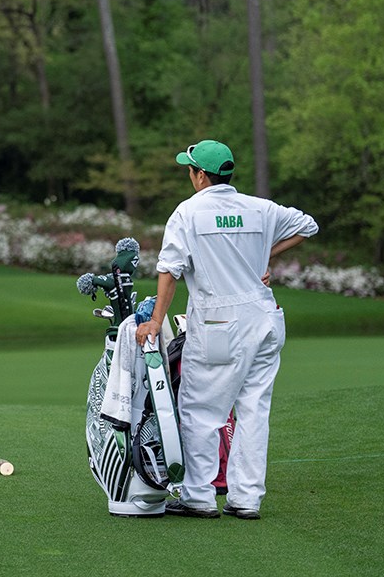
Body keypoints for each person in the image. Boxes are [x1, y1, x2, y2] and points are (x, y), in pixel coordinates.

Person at [135, 140, 317, 520]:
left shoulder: (187, 213)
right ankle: (246, 500)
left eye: (190, 169)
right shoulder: (260, 208)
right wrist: (265, 255)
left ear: (201, 175)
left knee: (201, 409)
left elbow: (169, 270)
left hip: (219, 323)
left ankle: (199, 496)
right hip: (265, 319)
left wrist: (156, 320)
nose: (189, 175)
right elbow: (307, 225)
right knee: (253, 410)